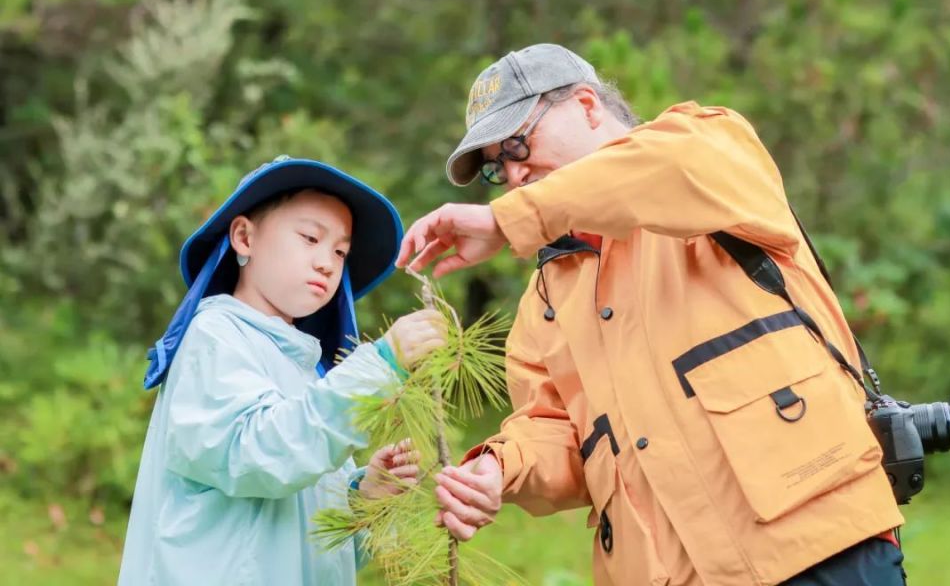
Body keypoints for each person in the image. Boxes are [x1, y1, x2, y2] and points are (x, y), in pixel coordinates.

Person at [397, 44, 907, 585]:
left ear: (588, 105)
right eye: (498, 168)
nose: (515, 173)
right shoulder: (544, 302)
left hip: (820, 550)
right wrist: (499, 468)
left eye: (519, 144)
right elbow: (555, 434)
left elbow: (669, 167)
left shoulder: (707, 143)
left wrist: (509, 221)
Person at [119, 155, 445, 585]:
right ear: (244, 237)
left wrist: (361, 496)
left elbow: (311, 545)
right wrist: (381, 363)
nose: (327, 262)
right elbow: (258, 454)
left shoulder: (309, 373)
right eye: (310, 237)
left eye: (340, 250)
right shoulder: (215, 338)